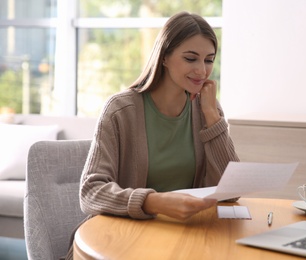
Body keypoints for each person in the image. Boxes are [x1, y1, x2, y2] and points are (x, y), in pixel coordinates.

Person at [64, 11, 239, 259]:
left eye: (209, 60)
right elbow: (90, 192)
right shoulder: (120, 110)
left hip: (182, 238)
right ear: (164, 57)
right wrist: (153, 202)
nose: (202, 70)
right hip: (122, 240)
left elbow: (231, 191)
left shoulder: (208, 108)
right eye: (191, 58)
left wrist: (212, 117)